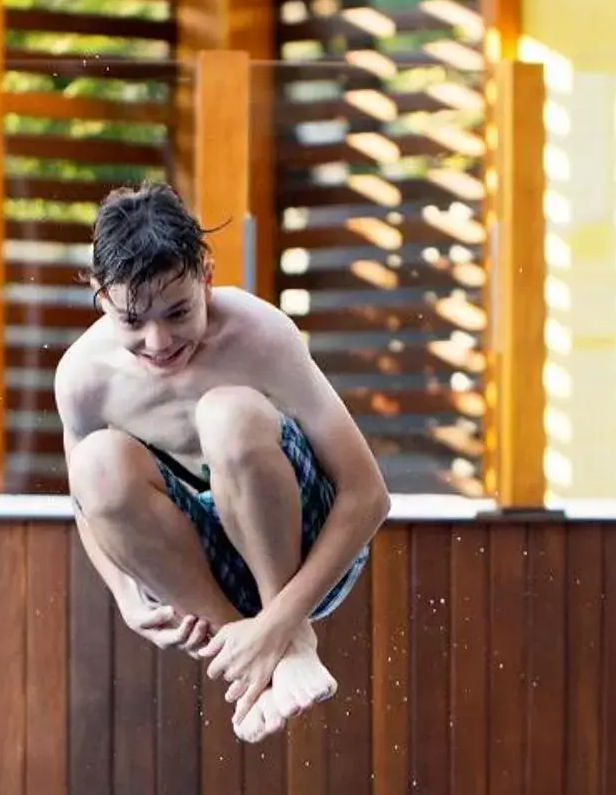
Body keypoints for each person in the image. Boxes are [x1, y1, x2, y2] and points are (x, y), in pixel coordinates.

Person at [57, 183, 390, 742]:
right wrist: (124, 597)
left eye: (178, 311)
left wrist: (283, 619)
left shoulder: (260, 336)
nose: (158, 340)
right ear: (100, 294)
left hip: (307, 551)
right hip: (206, 577)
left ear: (207, 275)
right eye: (132, 320)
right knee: (93, 464)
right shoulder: (84, 378)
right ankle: (263, 661)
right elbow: (86, 508)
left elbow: (367, 495)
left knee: (227, 414)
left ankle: (284, 641)